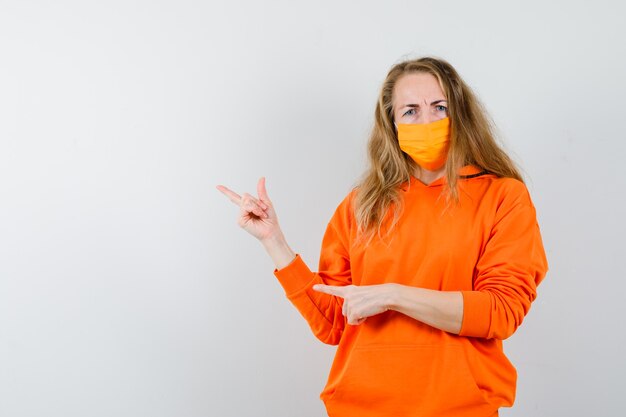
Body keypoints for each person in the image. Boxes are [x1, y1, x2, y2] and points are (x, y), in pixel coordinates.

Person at [216, 56, 549, 417]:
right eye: (410, 111)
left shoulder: (501, 197)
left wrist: (393, 296)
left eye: (440, 107)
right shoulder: (362, 204)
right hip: (360, 407)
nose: (427, 120)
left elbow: (500, 312)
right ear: (391, 123)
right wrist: (273, 241)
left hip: (459, 407)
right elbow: (333, 322)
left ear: (461, 114)